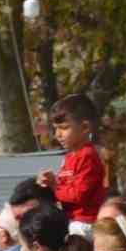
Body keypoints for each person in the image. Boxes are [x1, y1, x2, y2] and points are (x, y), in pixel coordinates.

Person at [39, 94, 108, 230]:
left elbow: (78, 195)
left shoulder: (87, 155)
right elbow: (65, 189)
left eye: (64, 128)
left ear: (84, 128)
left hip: (85, 222)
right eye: (55, 128)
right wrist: (46, 183)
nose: (58, 134)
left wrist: (54, 186)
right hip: (71, 218)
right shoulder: (70, 157)